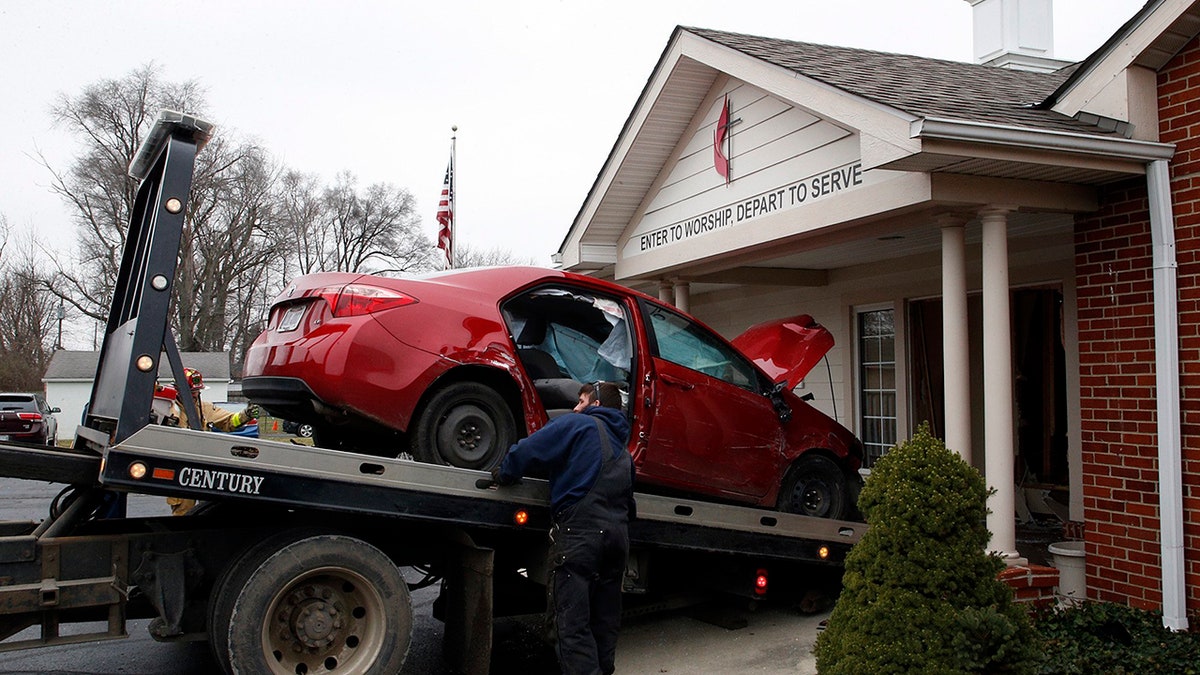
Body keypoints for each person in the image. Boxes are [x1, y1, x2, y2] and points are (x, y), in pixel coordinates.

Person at [491, 381, 635, 675]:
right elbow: (628, 505)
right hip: (617, 540)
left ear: (595, 405)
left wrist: (504, 472)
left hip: (580, 537)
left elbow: (529, 450)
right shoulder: (623, 451)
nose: (575, 407)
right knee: (604, 621)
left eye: (581, 401)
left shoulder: (577, 426)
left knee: (571, 624)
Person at [163, 367, 259, 515]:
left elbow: (229, 421)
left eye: (197, 391)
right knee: (183, 511)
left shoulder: (205, 408)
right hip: (179, 467)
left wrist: (246, 414)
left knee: (207, 511)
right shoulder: (168, 407)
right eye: (192, 392)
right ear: (179, 390)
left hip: (202, 466)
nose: (196, 394)